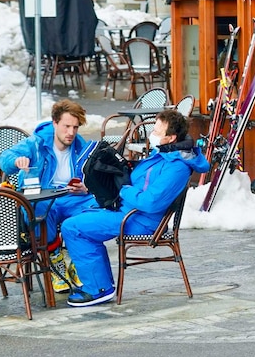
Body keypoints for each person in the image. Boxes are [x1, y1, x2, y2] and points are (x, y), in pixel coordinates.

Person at [60, 110, 208, 306]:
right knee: (73, 213)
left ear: (170, 138)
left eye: (156, 131)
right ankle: (98, 284)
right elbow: (141, 184)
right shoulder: (165, 154)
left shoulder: (176, 167)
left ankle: (97, 289)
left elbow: (151, 202)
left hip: (141, 221)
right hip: (129, 211)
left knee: (73, 228)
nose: (152, 134)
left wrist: (122, 190)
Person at [0, 98, 99, 292]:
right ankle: (55, 261)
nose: (71, 132)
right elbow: (5, 159)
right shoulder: (37, 143)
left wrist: (85, 187)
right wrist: (17, 160)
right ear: (55, 123)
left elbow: (92, 175)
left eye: (75, 127)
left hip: (72, 197)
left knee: (98, 206)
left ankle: (77, 261)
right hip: (44, 197)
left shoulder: (80, 145)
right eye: (66, 126)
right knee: (36, 212)